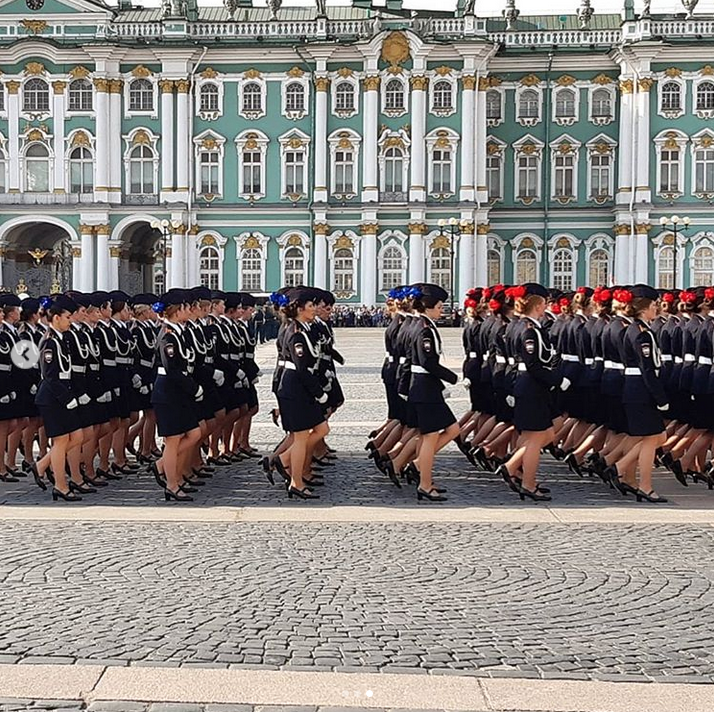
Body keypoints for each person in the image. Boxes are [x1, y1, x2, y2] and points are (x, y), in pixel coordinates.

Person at [273, 287, 329, 500]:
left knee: (320, 429)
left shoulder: (302, 329)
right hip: (295, 388)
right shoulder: (296, 333)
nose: (315, 309)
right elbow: (302, 368)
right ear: (299, 308)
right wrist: (318, 393)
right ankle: (296, 481)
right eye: (311, 306)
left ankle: (284, 460)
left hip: (299, 387)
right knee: (301, 437)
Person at [406, 283, 459, 502]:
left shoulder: (422, 324)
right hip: (424, 387)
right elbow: (428, 361)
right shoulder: (423, 329)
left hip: (426, 387)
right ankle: (425, 484)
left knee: (451, 429)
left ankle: (419, 466)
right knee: (430, 437)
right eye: (439, 306)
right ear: (428, 307)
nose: (442, 310)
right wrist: (452, 377)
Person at [150, 290, 203, 501]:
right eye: (185, 307)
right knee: (172, 441)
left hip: (178, 391)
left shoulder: (179, 332)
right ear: (177, 310)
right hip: (168, 392)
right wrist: (193, 388)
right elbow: (172, 370)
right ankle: (172, 484)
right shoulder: (168, 336)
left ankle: (162, 465)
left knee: (194, 433)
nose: (189, 310)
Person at [33, 294, 85, 501]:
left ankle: (42, 465)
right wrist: (67, 399)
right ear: (56, 318)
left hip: (62, 394)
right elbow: (51, 377)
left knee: (77, 437)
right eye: (68, 317)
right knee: (62, 440)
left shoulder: (61, 339)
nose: (70, 321)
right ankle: (61, 486)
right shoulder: (50, 342)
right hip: (53, 398)